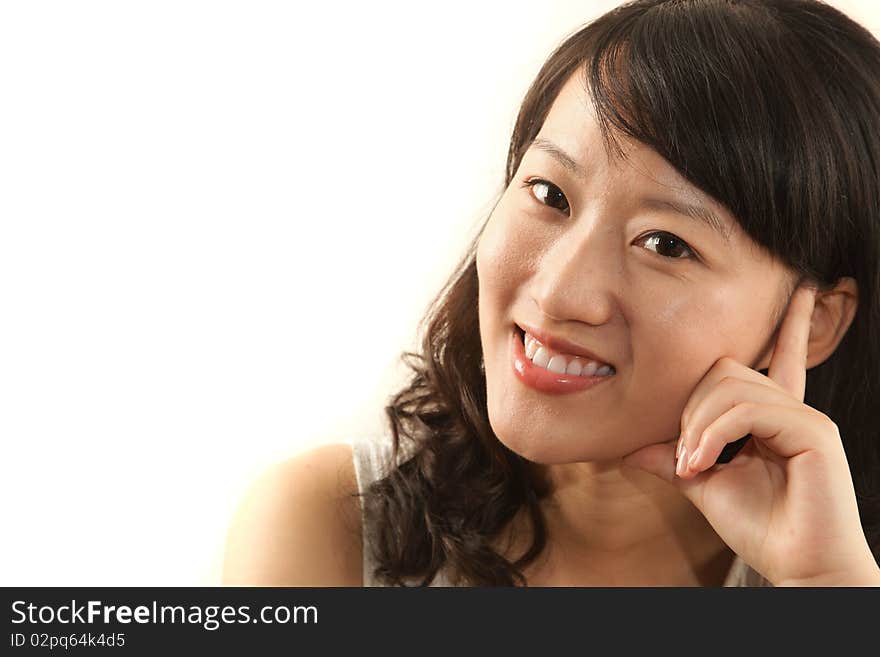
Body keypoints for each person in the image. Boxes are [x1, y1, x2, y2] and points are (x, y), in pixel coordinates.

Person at [222, 0, 880, 586]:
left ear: (816, 318)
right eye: (549, 193)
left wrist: (826, 586)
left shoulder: (840, 571)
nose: (561, 290)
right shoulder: (329, 530)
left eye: (665, 244)